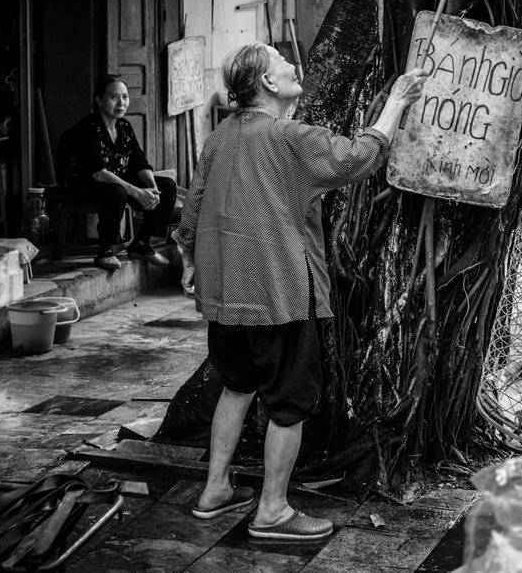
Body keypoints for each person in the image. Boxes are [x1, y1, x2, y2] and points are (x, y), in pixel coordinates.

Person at [174, 42, 427, 540]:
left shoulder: (220, 137)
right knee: (290, 405)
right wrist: (396, 101)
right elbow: (356, 159)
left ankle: (215, 490)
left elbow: (192, 207)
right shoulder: (290, 137)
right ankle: (271, 511)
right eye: (282, 62)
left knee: (237, 385)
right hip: (278, 294)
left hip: (225, 293)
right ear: (268, 83)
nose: (294, 66)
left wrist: (188, 259)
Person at [58, 74, 176, 270]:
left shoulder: (124, 126)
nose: (121, 103)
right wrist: (137, 192)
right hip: (81, 183)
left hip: (112, 179)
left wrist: (152, 189)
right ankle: (105, 251)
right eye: (114, 97)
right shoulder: (89, 128)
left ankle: (141, 243)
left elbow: (140, 163)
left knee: (167, 186)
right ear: (99, 99)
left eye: (125, 97)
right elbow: (99, 174)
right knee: (117, 191)